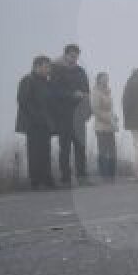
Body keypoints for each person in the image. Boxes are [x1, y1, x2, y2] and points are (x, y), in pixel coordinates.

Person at [48, 44, 91, 186]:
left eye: (76, 55)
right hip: (64, 115)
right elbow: (54, 92)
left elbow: (87, 92)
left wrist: (87, 111)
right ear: (65, 55)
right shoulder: (56, 70)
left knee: (80, 147)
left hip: (79, 116)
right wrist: (72, 95)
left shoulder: (81, 71)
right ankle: (65, 178)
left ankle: (82, 177)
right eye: (72, 55)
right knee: (65, 148)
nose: (74, 58)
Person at [16, 56, 57, 190]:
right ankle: (35, 182)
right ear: (37, 66)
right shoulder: (28, 80)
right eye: (46, 66)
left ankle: (47, 180)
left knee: (46, 151)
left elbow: (49, 103)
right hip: (32, 123)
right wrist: (37, 117)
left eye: (49, 67)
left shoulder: (46, 82)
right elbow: (23, 101)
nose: (48, 69)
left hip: (45, 123)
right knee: (34, 152)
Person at [91, 72, 119, 181]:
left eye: (107, 78)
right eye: (103, 78)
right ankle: (104, 175)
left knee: (112, 151)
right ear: (98, 80)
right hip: (101, 126)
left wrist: (114, 117)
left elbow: (110, 108)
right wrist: (108, 119)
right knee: (103, 151)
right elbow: (95, 110)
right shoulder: (95, 92)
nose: (106, 80)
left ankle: (112, 175)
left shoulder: (108, 91)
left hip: (110, 126)